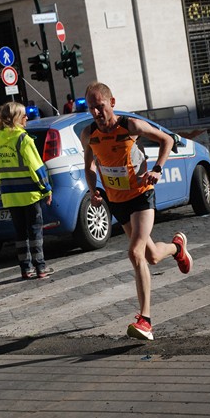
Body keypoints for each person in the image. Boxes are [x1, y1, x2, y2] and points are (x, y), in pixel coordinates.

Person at [81, 82, 193, 341]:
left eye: (100, 107)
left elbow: (166, 140)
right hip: (117, 201)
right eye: (91, 108)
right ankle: (178, 247)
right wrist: (93, 189)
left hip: (142, 196)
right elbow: (89, 165)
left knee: (134, 252)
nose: (97, 113)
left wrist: (157, 169)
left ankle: (146, 320)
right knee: (151, 256)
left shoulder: (130, 126)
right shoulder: (88, 134)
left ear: (112, 102)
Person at [0, 101, 53, 279]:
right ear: (17, 119)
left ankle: (25, 269)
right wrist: (46, 188)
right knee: (35, 230)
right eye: (24, 115)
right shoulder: (23, 139)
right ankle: (40, 268)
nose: (27, 117)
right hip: (29, 193)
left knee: (20, 233)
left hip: (10, 194)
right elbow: (36, 167)